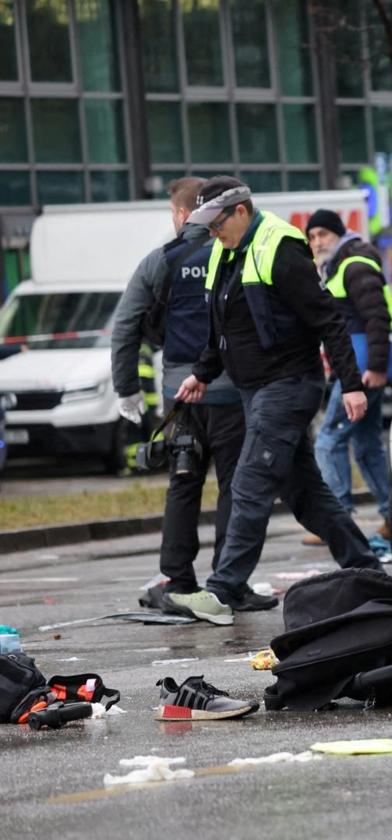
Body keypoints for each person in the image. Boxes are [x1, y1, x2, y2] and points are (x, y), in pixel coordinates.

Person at [170, 177, 382, 625]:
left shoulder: (280, 247)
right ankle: (370, 571)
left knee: (250, 482)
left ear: (242, 211)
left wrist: (353, 384)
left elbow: (329, 321)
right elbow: (224, 330)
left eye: (217, 223)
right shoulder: (224, 253)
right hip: (256, 391)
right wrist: (201, 375)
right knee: (306, 494)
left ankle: (222, 589)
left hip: (289, 385)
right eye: (205, 225)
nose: (212, 232)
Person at [109, 178, 263, 611]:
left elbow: (126, 325)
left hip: (182, 397)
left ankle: (177, 578)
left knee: (183, 484)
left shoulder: (163, 260)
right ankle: (230, 583)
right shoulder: (236, 251)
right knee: (236, 486)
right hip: (235, 391)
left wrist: (128, 390)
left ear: (181, 214)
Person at [304, 209, 392, 546]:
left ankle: (336, 519)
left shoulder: (354, 264)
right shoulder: (341, 264)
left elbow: (376, 318)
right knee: (367, 445)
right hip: (360, 367)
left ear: (338, 234)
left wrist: (375, 366)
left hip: (360, 369)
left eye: (323, 235)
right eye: (312, 237)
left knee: (329, 440)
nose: (317, 242)